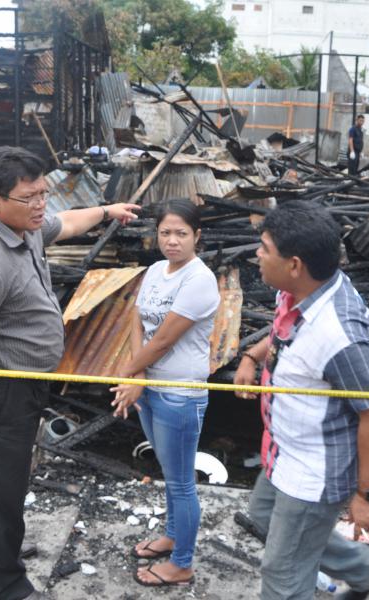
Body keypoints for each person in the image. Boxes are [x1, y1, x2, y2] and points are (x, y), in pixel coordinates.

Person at [0, 146, 140, 600]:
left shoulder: (22, 225)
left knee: (1, 475)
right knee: (3, 481)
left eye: (43, 193)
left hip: (24, 383)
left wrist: (107, 210)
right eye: (30, 197)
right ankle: (6, 584)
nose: (40, 205)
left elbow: (64, 224)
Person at [233, 201, 369, 600]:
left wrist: (367, 496)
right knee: (263, 517)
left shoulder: (341, 335)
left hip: (313, 474)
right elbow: (283, 332)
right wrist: (252, 356)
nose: (257, 254)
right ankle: (368, 567)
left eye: (265, 248)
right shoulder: (299, 291)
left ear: (293, 264)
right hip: (282, 449)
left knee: (282, 572)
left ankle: (348, 571)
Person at [110, 198, 220, 588]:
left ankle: (182, 563)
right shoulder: (156, 270)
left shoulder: (200, 280)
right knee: (168, 473)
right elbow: (137, 321)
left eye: (181, 234)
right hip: (150, 386)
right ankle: (173, 535)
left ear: (197, 236)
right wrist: (137, 377)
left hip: (179, 393)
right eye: (165, 233)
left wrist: (130, 374)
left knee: (181, 482)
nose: (172, 241)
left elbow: (165, 340)